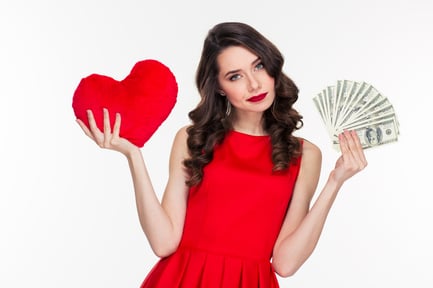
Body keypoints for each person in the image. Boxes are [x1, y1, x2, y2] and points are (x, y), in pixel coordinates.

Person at [77, 22, 368, 288]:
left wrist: (335, 182)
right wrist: (133, 155)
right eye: (235, 76)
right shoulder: (192, 139)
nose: (254, 84)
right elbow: (164, 243)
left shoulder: (304, 154)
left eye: (259, 66)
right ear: (219, 86)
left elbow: (285, 264)